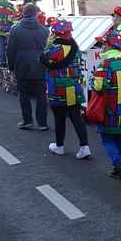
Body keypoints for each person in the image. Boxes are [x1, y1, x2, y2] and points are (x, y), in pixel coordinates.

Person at [40, 19, 91, 159]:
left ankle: (60, 146)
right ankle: (84, 146)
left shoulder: (55, 49)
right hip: (73, 86)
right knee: (76, 116)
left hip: (57, 88)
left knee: (59, 117)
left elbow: (43, 59)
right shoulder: (76, 48)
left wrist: (48, 43)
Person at [92, 30, 121, 187]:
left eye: (103, 44)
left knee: (107, 138)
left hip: (109, 108)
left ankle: (120, 166)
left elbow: (98, 86)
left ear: (109, 46)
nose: (102, 47)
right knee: (120, 138)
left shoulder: (105, 64)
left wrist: (92, 81)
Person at [7, 3, 49, 130]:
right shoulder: (44, 30)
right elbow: (48, 50)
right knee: (41, 95)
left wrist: (11, 67)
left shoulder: (15, 29)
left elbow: (10, 50)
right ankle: (42, 123)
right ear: (36, 13)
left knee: (24, 94)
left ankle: (27, 120)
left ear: (23, 13)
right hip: (40, 64)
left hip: (21, 64)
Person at [0, 0, 17, 67]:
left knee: (1, 50)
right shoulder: (12, 5)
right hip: (9, 31)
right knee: (9, 49)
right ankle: (9, 66)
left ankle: (2, 66)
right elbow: (14, 18)